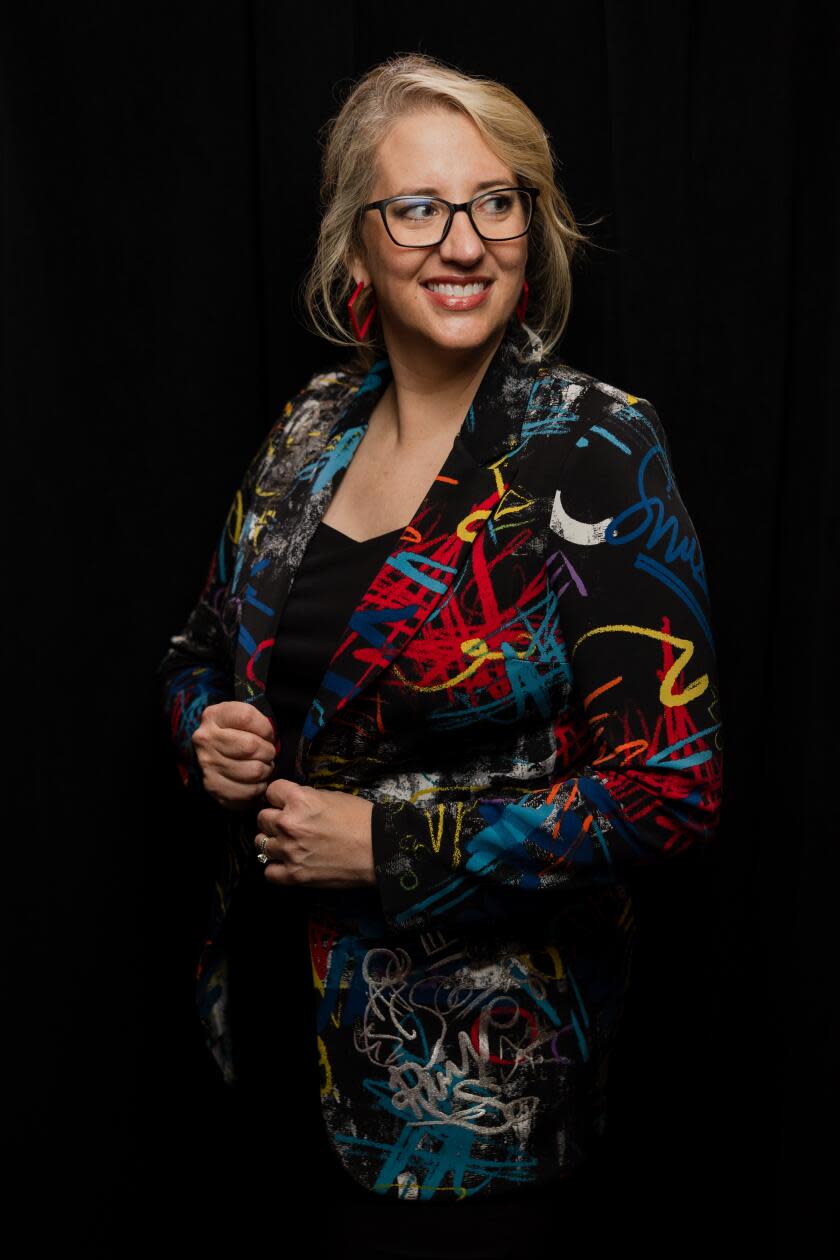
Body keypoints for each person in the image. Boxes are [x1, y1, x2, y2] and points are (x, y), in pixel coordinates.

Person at [155, 52, 724, 1259]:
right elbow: (198, 648)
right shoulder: (310, 429)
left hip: (467, 1114)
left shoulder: (591, 450)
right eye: (418, 207)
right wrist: (206, 727)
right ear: (357, 246)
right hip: (264, 1036)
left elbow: (671, 792)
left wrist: (386, 847)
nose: (461, 242)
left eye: (495, 202)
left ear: (532, 228)